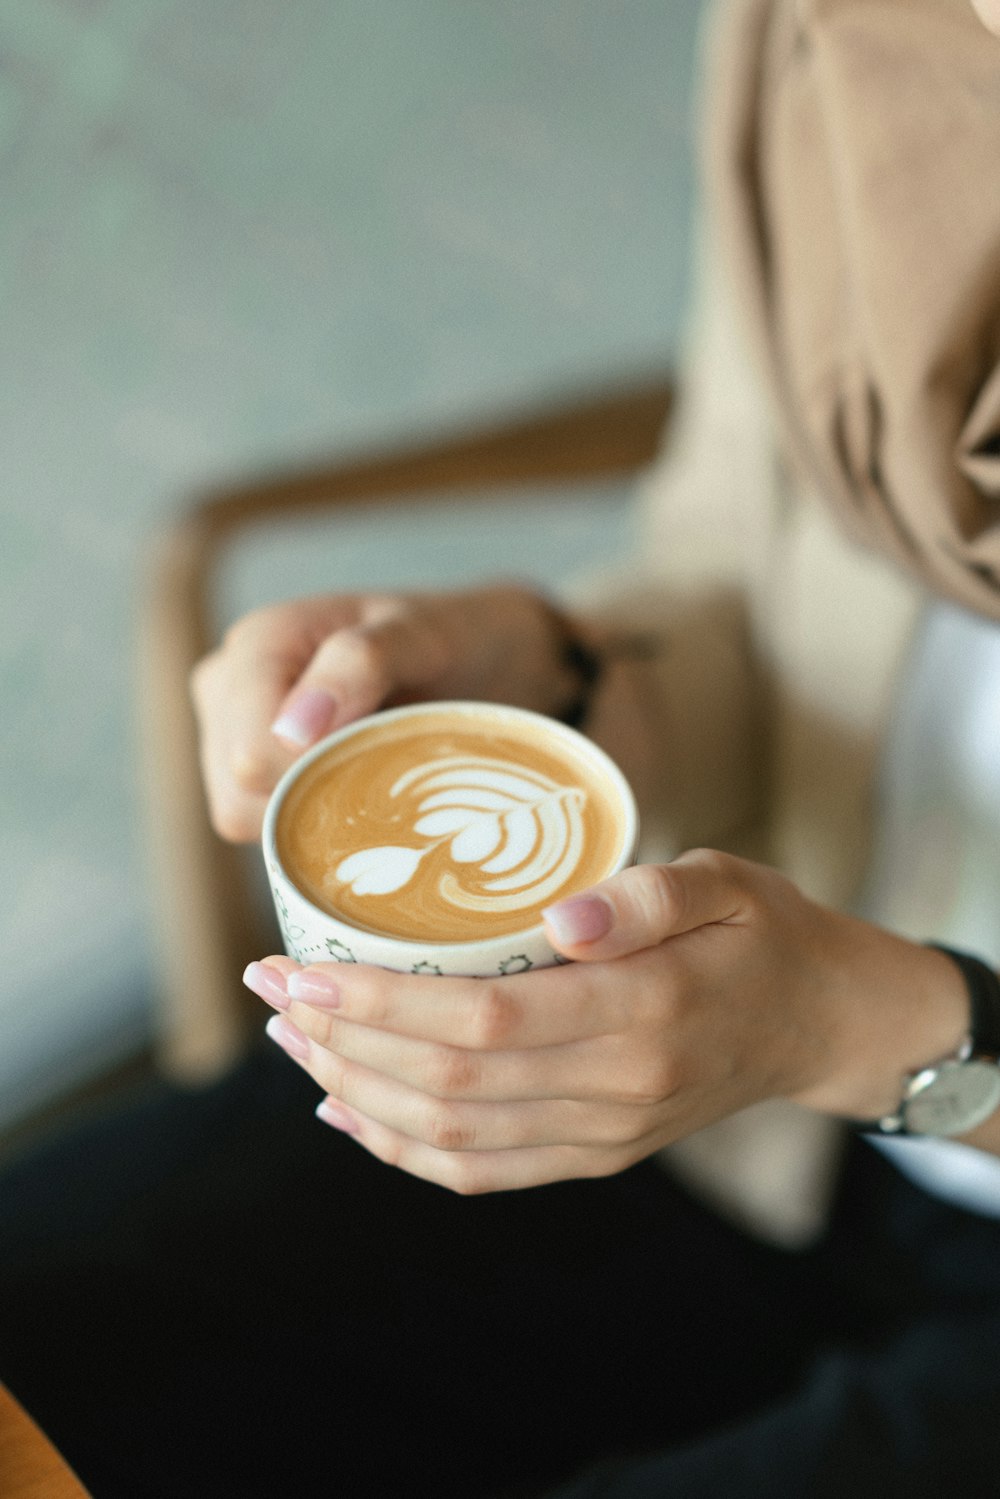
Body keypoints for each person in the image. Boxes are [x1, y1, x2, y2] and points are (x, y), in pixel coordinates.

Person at [2, 1, 999, 1494]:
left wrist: (866, 1028)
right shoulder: (859, 34)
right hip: (735, 1121)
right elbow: (748, 560)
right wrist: (553, 679)